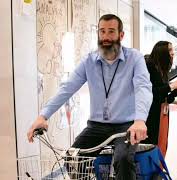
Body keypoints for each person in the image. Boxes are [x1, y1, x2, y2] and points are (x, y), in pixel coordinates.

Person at [27, 14, 153, 180]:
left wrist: (140, 120)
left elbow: (143, 87)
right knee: (73, 158)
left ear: (121, 35)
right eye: (102, 31)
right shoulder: (89, 61)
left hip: (126, 126)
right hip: (96, 126)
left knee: (123, 159)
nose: (106, 37)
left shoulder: (134, 58)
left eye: (111, 31)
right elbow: (67, 88)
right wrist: (43, 116)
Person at [143, 41, 177, 157]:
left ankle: (156, 171)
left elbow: (163, 97)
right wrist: (172, 86)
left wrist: (176, 93)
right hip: (150, 116)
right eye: (170, 50)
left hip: (160, 114)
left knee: (160, 144)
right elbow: (153, 93)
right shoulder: (150, 66)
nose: (173, 53)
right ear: (162, 52)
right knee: (151, 145)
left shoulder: (161, 69)